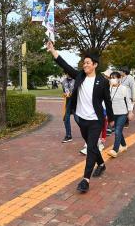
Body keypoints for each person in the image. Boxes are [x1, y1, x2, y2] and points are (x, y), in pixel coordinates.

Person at [46, 41, 114, 193]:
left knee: (90, 148)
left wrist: (111, 119)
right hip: (82, 119)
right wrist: (53, 51)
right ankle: (101, 164)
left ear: (95, 65)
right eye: (84, 63)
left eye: (88, 63)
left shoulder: (102, 81)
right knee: (92, 146)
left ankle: (85, 180)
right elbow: (65, 66)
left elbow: (108, 101)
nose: (85, 65)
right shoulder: (80, 76)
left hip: (96, 120)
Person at [107, 72, 134, 158]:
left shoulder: (123, 88)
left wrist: (130, 112)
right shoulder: (109, 88)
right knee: (118, 131)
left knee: (117, 131)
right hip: (112, 113)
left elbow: (128, 101)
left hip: (122, 113)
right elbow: (106, 102)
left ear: (119, 79)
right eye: (111, 77)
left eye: (114, 77)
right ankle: (124, 145)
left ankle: (115, 150)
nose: (112, 79)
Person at [61, 73, 76, 143]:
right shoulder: (63, 81)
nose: (69, 74)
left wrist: (72, 94)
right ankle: (68, 135)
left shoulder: (76, 80)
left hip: (75, 103)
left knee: (78, 120)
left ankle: (88, 134)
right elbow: (64, 91)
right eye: (67, 73)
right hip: (67, 103)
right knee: (66, 119)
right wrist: (64, 94)